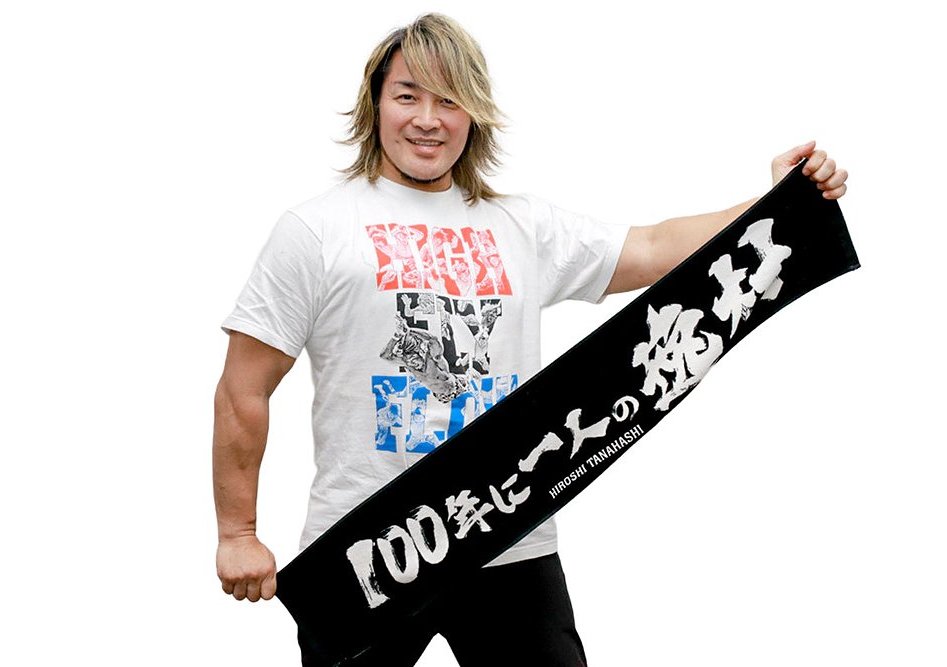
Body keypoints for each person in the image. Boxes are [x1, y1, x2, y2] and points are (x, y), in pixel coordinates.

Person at [213, 13, 848, 666]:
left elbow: (652, 246)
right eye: (407, 95)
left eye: (448, 99)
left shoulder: (520, 226)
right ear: (376, 103)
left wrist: (776, 201)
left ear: (473, 114)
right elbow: (243, 389)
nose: (427, 119)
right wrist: (238, 532)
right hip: (370, 552)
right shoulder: (316, 231)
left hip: (508, 534)